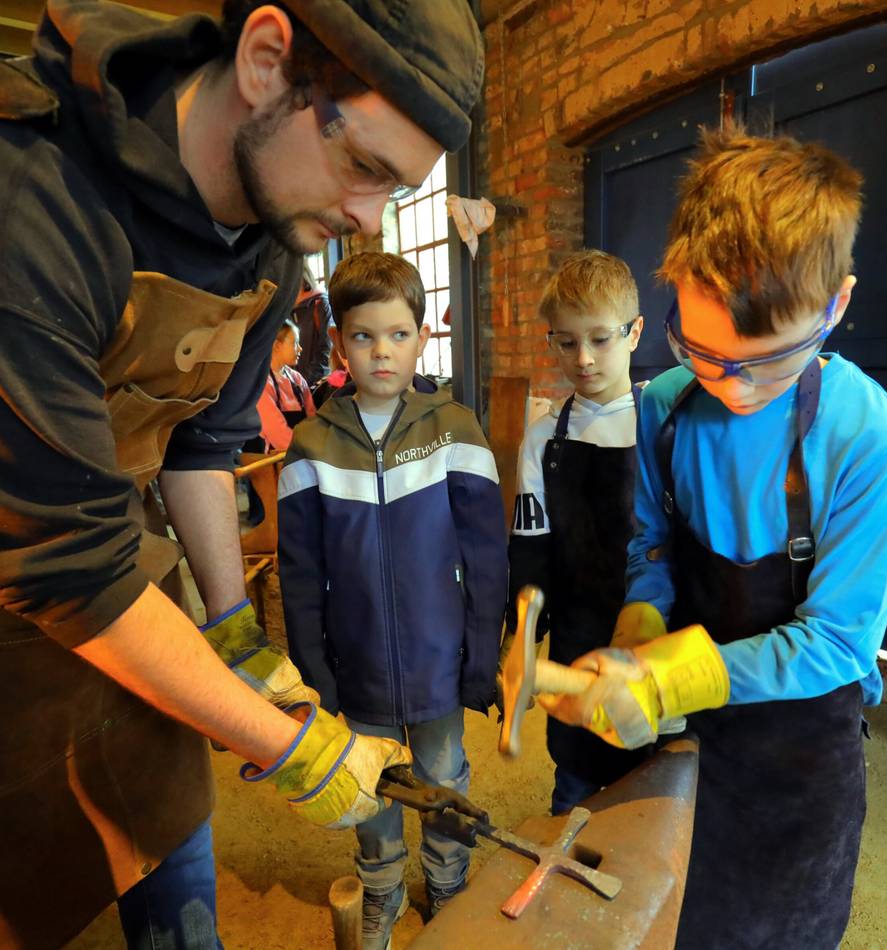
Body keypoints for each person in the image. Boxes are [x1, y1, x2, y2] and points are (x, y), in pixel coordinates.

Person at [0, 0, 484, 946]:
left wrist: (231, 633)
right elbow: (65, 566)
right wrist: (292, 745)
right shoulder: (33, 202)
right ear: (267, 60)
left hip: (128, 594)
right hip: (36, 585)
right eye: (364, 167)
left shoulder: (274, 238)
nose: (366, 217)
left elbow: (201, 443)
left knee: (169, 853)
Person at [540, 127, 887, 949]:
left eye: (766, 362)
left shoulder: (871, 439)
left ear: (836, 304)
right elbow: (650, 551)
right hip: (699, 747)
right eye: (704, 352)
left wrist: (667, 679)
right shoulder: (665, 409)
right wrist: (638, 633)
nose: (732, 387)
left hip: (801, 759)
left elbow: (837, 645)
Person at [277, 252, 507, 949]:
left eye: (399, 334)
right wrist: (313, 669)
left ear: (421, 338)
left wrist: (482, 653)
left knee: (442, 776)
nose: (382, 351)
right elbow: (297, 570)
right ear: (340, 342)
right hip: (358, 664)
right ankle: (380, 889)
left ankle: (447, 882)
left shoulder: (455, 429)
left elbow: (488, 557)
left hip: (441, 657)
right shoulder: (310, 445)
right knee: (370, 783)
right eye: (365, 336)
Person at [507, 250, 663, 815]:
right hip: (574, 632)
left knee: (648, 788)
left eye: (600, 338)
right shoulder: (544, 437)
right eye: (567, 341)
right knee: (574, 781)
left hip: (648, 631)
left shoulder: (662, 425)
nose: (584, 358)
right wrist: (521, 628)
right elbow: (531, 542)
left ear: (634, 332)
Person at [255, 319, 318, 452]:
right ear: (277, 345)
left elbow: (313, 419)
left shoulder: (297, 379)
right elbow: (278, 435)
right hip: (281, 459)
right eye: (295, 343)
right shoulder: (262, 383)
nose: (300, 349)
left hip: (306, 452)